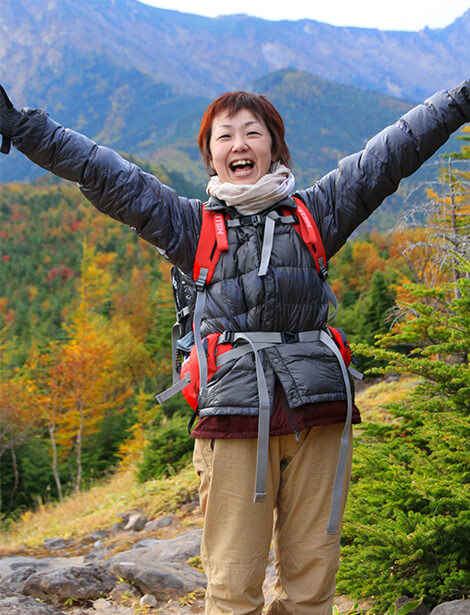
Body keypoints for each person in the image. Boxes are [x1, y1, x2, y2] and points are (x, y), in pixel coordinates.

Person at [1, 80, 469, 615]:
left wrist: (461, 99)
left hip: (319, 414)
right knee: (232, 584)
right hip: (235, 419)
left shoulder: (316, 214)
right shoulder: (190, 226)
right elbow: (104, 172)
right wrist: (21, 126)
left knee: (313, 582)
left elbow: (392, 151)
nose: (239, 144)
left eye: (253, 133)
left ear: (275, 147)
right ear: (211, 156)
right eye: (225, 136)